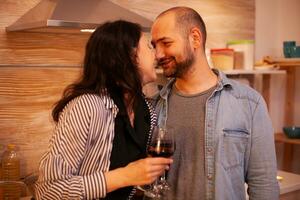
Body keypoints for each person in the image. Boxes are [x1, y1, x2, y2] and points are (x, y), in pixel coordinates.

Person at [151, 7, 279, 200]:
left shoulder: (249, 103)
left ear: (195, 38)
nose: (158, 55)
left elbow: (264, 185)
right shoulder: (154, 105)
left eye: (166, 43)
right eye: (154, 46)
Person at [35, 20, 173, 200]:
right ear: (130, 56)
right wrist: (126, 175)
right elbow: (48, 191)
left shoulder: (146, 110)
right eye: (149, 46)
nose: (157, 54)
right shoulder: (87, 106)